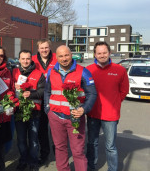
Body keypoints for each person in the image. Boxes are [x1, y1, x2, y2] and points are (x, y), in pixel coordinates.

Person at [44, 45, 97, 171]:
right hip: (55, 116)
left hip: (75, 118)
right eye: (61, 56)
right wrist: (48, 109)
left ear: (71, 55)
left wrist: (84, 109)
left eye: (66, 55)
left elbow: (92, 93)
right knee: (60, 148)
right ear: (56, 57)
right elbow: (47, 91)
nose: (64, 58)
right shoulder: (51, 72)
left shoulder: (83, 71)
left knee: (78, 151)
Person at [86, 42, 129, 171]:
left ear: (109, 53)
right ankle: (91, 167)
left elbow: (124, 90)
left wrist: (114, 104)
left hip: (110, 115)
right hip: (93, 113)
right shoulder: (88, 70)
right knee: (92, 143)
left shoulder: (120, 70)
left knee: (110, 146)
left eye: (104, 52)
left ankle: (113, 169)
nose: (102, 55)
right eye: (99, 53)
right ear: (95, 54)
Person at [13, 49, 45, 171]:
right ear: (19, 59)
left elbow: (43, 91)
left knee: (33, 140)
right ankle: (23, 160)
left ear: (31, 59)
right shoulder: (14, 72)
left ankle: (33, 161)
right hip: (19, 112)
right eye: (23, 59)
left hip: (34, 112)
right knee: (21, 140)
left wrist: (30, 94)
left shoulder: (38, 74)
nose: (25, 61)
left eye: (28, 58)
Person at [32, 39, 57, 164]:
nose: (44, 50)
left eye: (46, 47)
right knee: (42, 130)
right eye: (42, 48)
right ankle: (44, 154)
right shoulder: (32, 60)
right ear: (38, 49)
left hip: (54, 100)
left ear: (50, 47)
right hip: (39, 99)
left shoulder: (57, 59)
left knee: (56, 130)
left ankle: (59, 155)